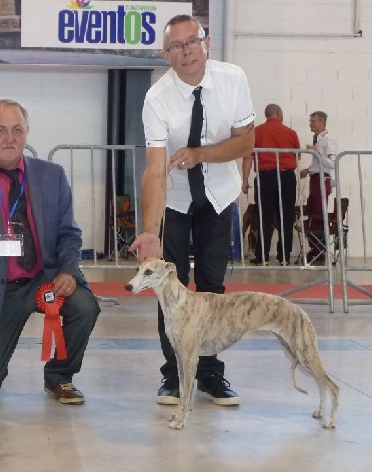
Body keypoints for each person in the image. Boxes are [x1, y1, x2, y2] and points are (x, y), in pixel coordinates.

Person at [129, 14, 255, 406]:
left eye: (192, 42)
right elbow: (154, 169)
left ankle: (211, 375)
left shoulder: (234, 79)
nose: (186, 52)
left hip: (218, 196)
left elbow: (244, 144)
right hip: (175, 199)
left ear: (207, 43)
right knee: (171, 286)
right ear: (166, 55)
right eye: (176, 46)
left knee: (213, 287)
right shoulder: (157, 99)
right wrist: (149, 230)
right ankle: (173, 375)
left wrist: (201, 154)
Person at [0, 98, 100, 405]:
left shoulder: (52, 175)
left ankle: (60, 377)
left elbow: (69, 233)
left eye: (17, 130)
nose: (9, 138)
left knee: (85, 306)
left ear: (27, 133)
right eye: (1, 130)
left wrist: (68, 269)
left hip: (45, 279)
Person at [242, 104, 300, 266]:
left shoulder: (256, 132)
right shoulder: (291, 133)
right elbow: (298, 156)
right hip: (286, 177)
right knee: (286, 216)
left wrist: (245, 180)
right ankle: (284, 257)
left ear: (266, 115)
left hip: (265, 177)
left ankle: (262, 257)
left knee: (263, 216)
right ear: (279, 114)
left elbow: (248, 157)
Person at [299, 111, 337, 264]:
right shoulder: (318, 140)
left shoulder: (329, 141)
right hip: (315, 179)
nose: (311, 123)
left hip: (322, 180)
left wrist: (317, 152)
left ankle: (320, 251)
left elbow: (331, 164)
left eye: (313, 121)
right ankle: (315, 249)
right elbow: (319, 163)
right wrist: (309, 169)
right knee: (312, 214)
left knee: (319, 215)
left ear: (321, 122)